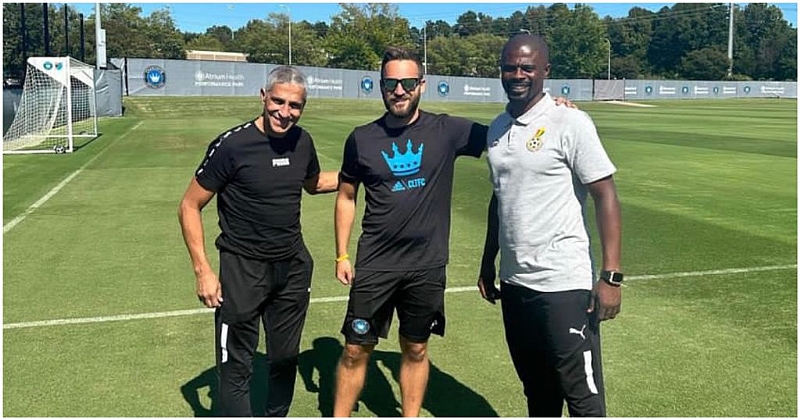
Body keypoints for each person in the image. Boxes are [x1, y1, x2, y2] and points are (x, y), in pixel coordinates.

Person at [331, 46, 489, 417]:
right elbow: (346, 196)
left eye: (406, 83)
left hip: (426, 265)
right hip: (376, 264)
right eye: (390, 83)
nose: (398, 90)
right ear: (380, 86)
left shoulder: (448, 130)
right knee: (355, 348)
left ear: (421, 84)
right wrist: (342, 253)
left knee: (416, 347)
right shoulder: (361, 138)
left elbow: (505, 132)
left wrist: (554, 107)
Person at [178, 65, 338, 417]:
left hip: (292, 267)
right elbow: (190, 205)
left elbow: (313, 184)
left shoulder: (303, 141)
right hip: (242, 268)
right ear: (263, 97)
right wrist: (203, 270)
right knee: (237, 364)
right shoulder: (232, 145)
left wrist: (359, 173)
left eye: (295, 105)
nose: (285, 112)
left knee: (284, 359)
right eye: (278, 101)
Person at [477, 33, 623, 417]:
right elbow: (501, 196)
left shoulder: (569, 120)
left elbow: (605, 193)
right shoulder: (496, 128)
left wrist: (611, 276)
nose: (518, 74)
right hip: (514, 284)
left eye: (527, 67)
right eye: (510, 66)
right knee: (538, 395)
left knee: (583, 398)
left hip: (563, 284)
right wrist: (487, 262)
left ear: (545, 71)